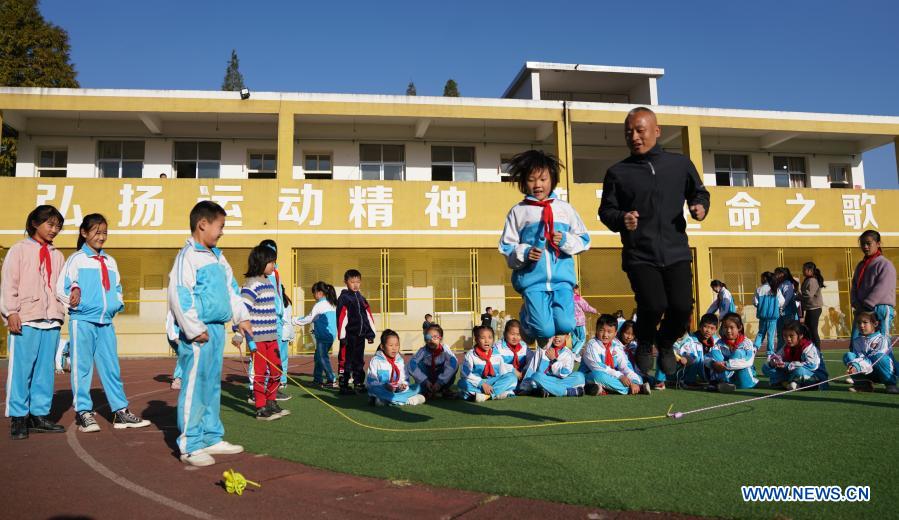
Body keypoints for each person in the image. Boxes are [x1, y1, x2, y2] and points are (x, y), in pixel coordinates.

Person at [599, 107, 710, 382]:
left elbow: (699, 191)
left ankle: (665, 342)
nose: (634, 136)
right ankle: (645, 341)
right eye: (628, 132)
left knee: (683, 308)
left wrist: (700, 207)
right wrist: (622, 218)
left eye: (640, 130)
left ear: (656, 131)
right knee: (653, 303)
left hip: (676, 250)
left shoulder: (679, 164)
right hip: (640, 253)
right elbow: (606, 211)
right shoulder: (618, 172)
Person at [167, 200, 252, 466]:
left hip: (217, 330)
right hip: (198, 333)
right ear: (203, 224)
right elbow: (180, 295)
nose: (222, 231)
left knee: (212, 384)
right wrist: (194, 329)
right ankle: (190, 444)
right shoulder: (187, 257)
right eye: (220, 226)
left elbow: (232, 291)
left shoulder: (218, 257)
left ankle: (212, 437)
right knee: (195, 385)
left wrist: (242, 318)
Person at [56, 213, 150, 432]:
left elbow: (117, 289)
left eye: (104, 232)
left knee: (111, 368)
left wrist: (117, 304)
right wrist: (75, 302)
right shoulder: (77, 259)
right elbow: (62, 287)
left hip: (105, 323)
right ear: (84, 233)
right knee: (82, 368)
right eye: (97, 232)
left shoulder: (110, 261)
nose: (101, 236)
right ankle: (83, 412)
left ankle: (120, 412)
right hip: (83, 321)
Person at [499, 150, 590, 344]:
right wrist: (524, 252)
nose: (538, 185)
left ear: (552, 179)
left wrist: (565, 240)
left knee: (566, 325)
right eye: (531, 180)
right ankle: (526, 317)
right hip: (533, 282)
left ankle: (536, 319)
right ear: (523, 182)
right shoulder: (518, 212)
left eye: (543, 179)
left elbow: (584, 240)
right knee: (545, 330)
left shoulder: (565, 209)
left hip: (563, 281)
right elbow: (506, 247)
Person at [2, 205, 67, 439]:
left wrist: (67, 302)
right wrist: (11, 312)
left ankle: (38, 415)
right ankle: (19, 417)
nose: (54, 230)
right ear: (34, 224)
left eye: (58, 226)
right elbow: (9, 283)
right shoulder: (19, 250)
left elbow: (62, 287)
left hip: (51, 320)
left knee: (45, 371)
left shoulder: (58, 255)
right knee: (21, 370)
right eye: (50, 224)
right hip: (26, 318)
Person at [240, 245, 290, 421]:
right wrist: (240, 334)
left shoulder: (269, 282)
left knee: (277, 370)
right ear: (261, 262)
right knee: (260, 373)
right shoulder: (251, 284)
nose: (273, 266)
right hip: (258, 338)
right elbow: (242, 312)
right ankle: (260, 407)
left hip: (272, 336)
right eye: (271, 262)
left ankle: (271, 401)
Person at [580, 314, 647, 395]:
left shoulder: (616, 346)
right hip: (590, 376)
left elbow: (625, 366)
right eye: (601, 330)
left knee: (638, 377)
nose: (605, 335)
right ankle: (632, 389)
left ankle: (608, 389)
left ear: (615, 333)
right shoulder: (592, 345)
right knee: (598, 376)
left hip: (610, 377)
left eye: (609, 332)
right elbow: (597, 367)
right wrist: (620, 376)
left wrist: (634, 382)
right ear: (596, 330)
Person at [258, 239, 291, 400]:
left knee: (275, 357)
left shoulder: (276, 273)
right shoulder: (258, 274)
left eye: (273, 255)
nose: (271, 260)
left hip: (276, 321)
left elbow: (278, 296)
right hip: (263, 321)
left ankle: (273, 389)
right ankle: (255, 389)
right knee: (260, 358)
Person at [336, 269, 377, 395]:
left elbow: (368, 317)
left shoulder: (362, 298)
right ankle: (344, 384)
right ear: (346, 282)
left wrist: (370, 333)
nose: (355, 284)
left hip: (360, 336)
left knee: (359, 360)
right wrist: (342, 336)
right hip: (348, 336)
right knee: (345, 360)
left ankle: (358, 383)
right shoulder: (344, 298)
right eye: (352, 282)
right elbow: (341, 318)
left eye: (358, 282)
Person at [850, 230, 896, 341]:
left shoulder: (884, 264)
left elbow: (883, 287)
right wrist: (855, 302)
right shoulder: (861, 265)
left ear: (878, 244)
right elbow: (855, 286)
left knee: (881, 342)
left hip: (880, 308)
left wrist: (868, 303)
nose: (865, 247)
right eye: (862, 244)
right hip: (862, 309)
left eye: (868, 243)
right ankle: (857, 359)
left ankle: (884, 359)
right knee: (856, 341)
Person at [293, 281, 337, 388]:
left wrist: (294, 320)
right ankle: (317, 379)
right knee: (318, 357)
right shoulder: (330, 303)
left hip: (323, 336)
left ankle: (332, 380)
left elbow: (309, 318)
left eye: (314, 292)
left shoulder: (320, 305)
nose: (313, 295)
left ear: (319, 293)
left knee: (322, 358)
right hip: (330, 335)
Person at [366, 330, 425, 406]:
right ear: (382, 346)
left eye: (397, 345)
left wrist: (403, 385)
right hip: (383, 390)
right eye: (391, 345)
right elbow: (371, 382)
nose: (394, 348)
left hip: (398, 391)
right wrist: (385, 386)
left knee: (418, 387)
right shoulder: (376, 361)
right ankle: (408, 400)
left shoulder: (400, 360)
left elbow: (405, 379)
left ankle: (385, 401)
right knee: (375, 389)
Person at [458, 326, 517, 402]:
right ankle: (497, 393)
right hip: (478, 384)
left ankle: (486, 396)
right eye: (483, 338)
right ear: (476, 340)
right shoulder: (471, 355)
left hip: (492, 382)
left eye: (490, 337)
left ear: (493, 339)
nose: (487, 341)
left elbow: (503, 372)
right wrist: (481, 383)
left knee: (512, 377)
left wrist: (503, 382)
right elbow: (465, 373)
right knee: (462, 383)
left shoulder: (496, 354)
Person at [763, 321, 827, 390]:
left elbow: (812, 365)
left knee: (799, 371)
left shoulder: (808, 347)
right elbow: (777, 356)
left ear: (800, 335)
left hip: (814, 374)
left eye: (791, 336)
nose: (788, 339)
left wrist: (787, 365)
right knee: (766, 368)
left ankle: (785, 383)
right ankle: (790, 383)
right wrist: (773, 363)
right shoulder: (786, 347)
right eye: (785, 336)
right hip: (793, 373)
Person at [844, 311, 898, 393]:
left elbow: (876, 358)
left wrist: (858, 366)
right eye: (859, 323)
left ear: (875, 324)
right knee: (848, 356)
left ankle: (890, 384)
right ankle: (863, 385)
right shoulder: (857, 341)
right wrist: (854, 365)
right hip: (867, 372)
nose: (861, 326)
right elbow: (859, 357)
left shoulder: (882, 339)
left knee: (879, 357)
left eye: (865, 322)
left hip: (883, 372)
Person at [520, 334, 586, 397]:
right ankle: (567, 392)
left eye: (560, 334)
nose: (557, 336)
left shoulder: (568, 354)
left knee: (580, 377)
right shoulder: (542, 348)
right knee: (536, 376)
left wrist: (554, 359)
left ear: (567, 337)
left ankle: (548, 390)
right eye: (555, 333)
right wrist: (524, 387)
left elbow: (564, 374)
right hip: (544, 379)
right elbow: (532, 368)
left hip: (561, 381)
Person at [707, 312, 758, 392]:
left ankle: (723, 382)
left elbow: (749, 361)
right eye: (725, 327)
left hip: (744, 378)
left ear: (739, 327)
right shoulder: (719, 343)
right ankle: (723, 382)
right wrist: (713, 364)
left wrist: (726, 365)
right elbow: (706, 358)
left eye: (731, 327)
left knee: (738, 353)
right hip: (726, 376)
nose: (728, 331)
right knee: (714, 352)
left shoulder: (746, 342)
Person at [668, 313, 719, 388]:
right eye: (705, 327)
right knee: (696, 359)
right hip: (685, 367)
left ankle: (718, 379)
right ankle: (688, 381)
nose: (708, 330)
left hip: (705, 370)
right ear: (700, 326)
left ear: (716, 329)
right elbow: (684, 353)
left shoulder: (717, 340)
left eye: (712, 328)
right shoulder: (690, 339)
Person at [408, 323, 458, 399]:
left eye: (435, 337)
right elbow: (411, 364)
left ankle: (443, 389)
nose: (431, 340)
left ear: (440, 338)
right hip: (427, 379)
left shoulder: (445, 350)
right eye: (428, 337)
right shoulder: (423, 350)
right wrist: (425, 380)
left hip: (442, 380)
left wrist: (440, 382)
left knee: (453, 363)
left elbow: (454, 364)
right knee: (416, 363)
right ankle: (427, 390)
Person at [494, 319, 531, 392]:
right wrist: (513, 370)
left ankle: (519, 388)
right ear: (505, 334)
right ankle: (493, 393)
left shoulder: (523, 346)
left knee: (534, 374)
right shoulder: (498, 347)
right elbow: (497, 364)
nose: (515, 337)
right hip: (505, 375)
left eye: (518, 334)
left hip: (521, 376)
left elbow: (532, 359)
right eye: (512, 334)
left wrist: (525, 370)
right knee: (511, 378)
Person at [753, 272, 782, 354]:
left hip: (762, 316)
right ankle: (770, 352)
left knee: (760, 333)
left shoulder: (759, 289)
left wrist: (762, 307)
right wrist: (776, 307)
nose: (761, 279)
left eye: (761, 278)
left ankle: (755, 347)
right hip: (773, 317)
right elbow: (781, 302)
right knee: (771, 335)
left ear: (765, 278)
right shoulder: (776, 289)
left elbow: (755, 302)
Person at [800, 262, 825, 349]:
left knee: (813, 330)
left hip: (815, 309)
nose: (802, 271)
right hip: (810, 308)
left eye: (804, 269)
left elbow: (809, 294)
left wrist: (799, 294)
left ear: (810, 270)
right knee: (808, 330)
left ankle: (818, 350)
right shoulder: (807, 280)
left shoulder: (812, 280)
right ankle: (810, 348)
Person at [774, 267, 800, 351]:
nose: (775, 275)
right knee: (781, 333)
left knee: (790, 332)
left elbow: (787, 298)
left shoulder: (787, 284)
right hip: (780, 314)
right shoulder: (778, 284)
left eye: (777, 273)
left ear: (782, 274)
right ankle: (780, 350)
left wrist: (782, 307)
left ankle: (794, 349)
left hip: (788, 313)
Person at [572, 284, 597, 358]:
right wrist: (595, 311)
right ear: (575, 290)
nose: (579, 291)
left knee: (575, 338)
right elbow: (586, 307)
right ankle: (574, 353)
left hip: (571, 322)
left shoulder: (567, 298)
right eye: (578, 289)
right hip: (579, 322)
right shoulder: (577, 298)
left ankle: (575, 354)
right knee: (582, 339)